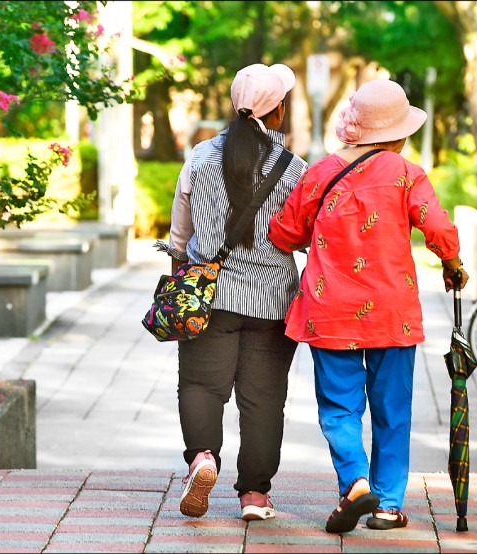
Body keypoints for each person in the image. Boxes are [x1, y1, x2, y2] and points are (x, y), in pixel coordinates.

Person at [267, 79, 470, 533]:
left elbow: (284, 232)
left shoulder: (320, 172)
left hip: (329, 307)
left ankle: (355, 482)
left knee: (339, 407)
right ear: (397, 132)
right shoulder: (407, 173)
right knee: (392, 410)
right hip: (391, 311)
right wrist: (453, 263)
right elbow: (436, 226)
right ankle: (389, 505)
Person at [157, 63, 308, 521]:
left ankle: (203, 459)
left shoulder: (199, 159)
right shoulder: (294, 170)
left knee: (202, 385)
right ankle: (255, 497)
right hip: (272, 301)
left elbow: (179, 239)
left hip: (211, 294)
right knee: (262, 400)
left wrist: (184, 286)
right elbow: (301, 237)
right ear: (278, 112)